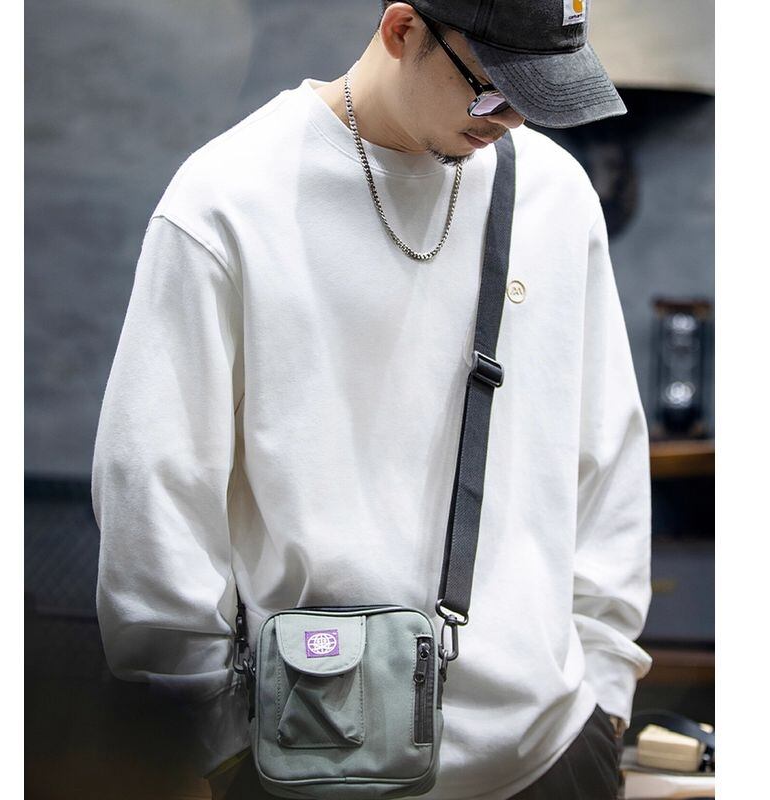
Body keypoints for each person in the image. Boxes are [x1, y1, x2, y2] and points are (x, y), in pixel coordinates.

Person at [92, 1, 653, 798]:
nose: (512, 122)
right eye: (495, 90)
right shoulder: (229, 200)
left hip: (550, 755)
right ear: (402, 31)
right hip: (316, 752)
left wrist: (608, 692)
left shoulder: (554, 196)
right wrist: (204, 741)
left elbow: (607, 454)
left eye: (540, 98)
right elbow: (155, 490)